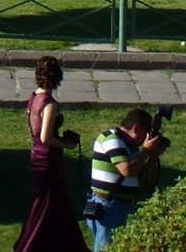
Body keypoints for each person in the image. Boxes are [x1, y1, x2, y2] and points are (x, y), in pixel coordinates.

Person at [14, 55, 89, 252]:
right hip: (48, 157)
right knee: (50, 200)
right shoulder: (49, 103)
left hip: (36, 154)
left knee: (47, 199)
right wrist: (66, 144)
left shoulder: (33, 98)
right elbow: (46, 136)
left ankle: (51, 240)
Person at [86, 108, 169, 248]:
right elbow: (127, 170)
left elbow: (144, 180)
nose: (146, 139)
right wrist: (147, 151)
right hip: (110, 207)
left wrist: (153, 157)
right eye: (146, 133)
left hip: (124, 206)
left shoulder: (132, 148)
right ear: (136, 129)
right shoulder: (111, 139)